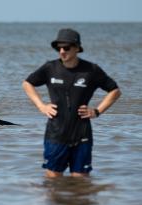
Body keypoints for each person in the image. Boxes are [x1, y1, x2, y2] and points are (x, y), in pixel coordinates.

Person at [22, 28, 121, 178]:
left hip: (82, 135)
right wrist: (41, 105)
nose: (62, 51)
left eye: (66, 47)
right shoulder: (50, 68)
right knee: (53, 181)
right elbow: (27, 83)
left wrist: (97, 111)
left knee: (80, 182)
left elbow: (115, 91)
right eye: (58, 48)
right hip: (55, 135)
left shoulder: (91, 70)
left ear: (77, 48)